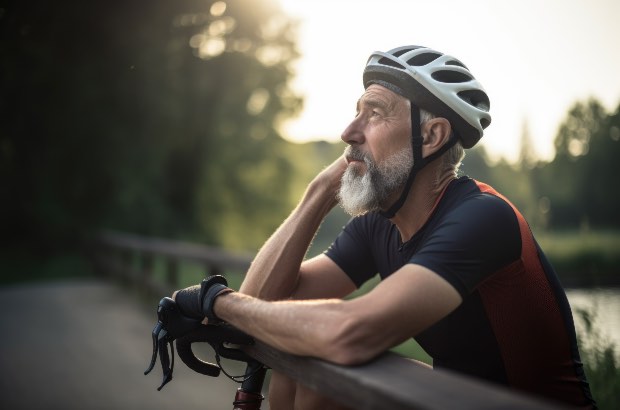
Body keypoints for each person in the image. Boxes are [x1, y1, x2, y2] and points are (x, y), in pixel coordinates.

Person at [174, 45, 596, 409]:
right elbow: (264, 302)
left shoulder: (484, 218)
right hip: (457, 399)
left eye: (373, 113)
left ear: (431, 136)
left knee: (327, 360)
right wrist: (320, 190)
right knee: (299, 370)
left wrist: (217, 301)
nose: (348, 132)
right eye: (356, 112)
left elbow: (349, 334)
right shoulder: (380, 224)